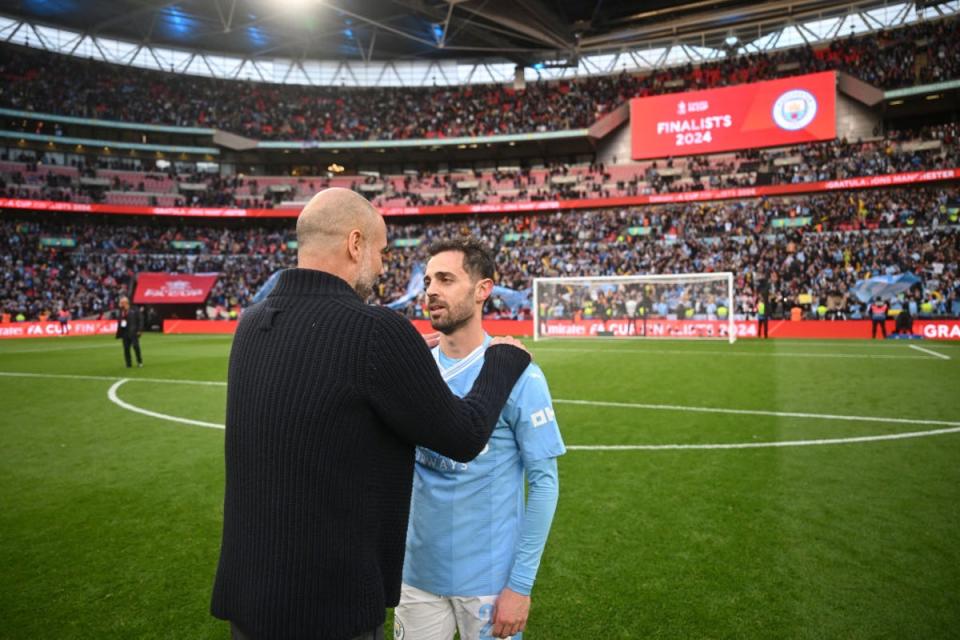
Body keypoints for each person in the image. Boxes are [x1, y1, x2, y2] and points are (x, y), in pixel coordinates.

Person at [210, 189, 532, 640]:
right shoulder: (376, 332)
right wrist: (502, 360)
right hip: (330, 606)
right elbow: (463, 436)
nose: (383, 267)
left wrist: (401, 365)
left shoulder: (251, 322)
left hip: (249, 600)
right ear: (355, 244)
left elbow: (320, 386)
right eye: (381, 252)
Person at [396, 239, 565, 640]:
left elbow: (545, 484)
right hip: (416, 578)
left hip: (489, 582)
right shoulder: (412, 372)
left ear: (482, 290)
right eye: (429, 280)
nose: (431, 289)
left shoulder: (519, 374)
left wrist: (520, 586)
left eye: (447, 279)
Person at [115, 296, 143, 367]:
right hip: (125, 332)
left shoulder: (134, 309)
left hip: (133, 332)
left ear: (125, 302)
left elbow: (140, 319)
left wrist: (140, 329)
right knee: (126, 348)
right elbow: (120, 320)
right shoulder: (121, 311)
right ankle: (128, 363)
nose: (120, 304)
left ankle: (139, 362)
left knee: (136, 347)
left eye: (121, 302)